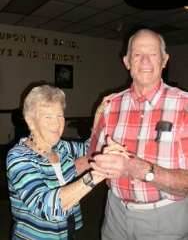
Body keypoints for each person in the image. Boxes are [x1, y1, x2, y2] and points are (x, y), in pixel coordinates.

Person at [88, 29, 188, 240]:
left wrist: (136, 168)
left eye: (153, 53)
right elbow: (93, 157)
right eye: (137, 54)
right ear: (126, 61)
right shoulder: (111, 105)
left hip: (165, 219)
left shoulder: (185, 105)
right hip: (115, 215)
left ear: (164, 60)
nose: (145, 60)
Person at [6, 85, 114, 240]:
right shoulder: (18, 157)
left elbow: (91, 149)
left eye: (60, 115)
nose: (56, 124)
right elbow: (45, 207)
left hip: (67, 232)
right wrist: (96, 175)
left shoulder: (61, 147)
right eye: (47, 117)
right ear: (30, 121)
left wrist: (99, 115)